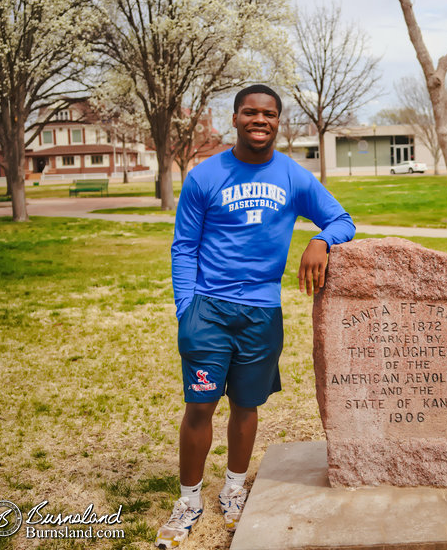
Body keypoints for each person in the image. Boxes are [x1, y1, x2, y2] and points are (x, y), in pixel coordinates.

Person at [157, 84, 355, 549]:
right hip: (209, 308)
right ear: (236, 118)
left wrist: (320, 240)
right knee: (200, 406)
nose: (259, 120)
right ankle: (188, 500)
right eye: (250, 113)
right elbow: (184, 247)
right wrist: (187, 309)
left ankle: (233, 489)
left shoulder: (292, 175)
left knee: (247, 406)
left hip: (263, 313)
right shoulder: (205, 176)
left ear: (277, 121)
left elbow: (342, 219)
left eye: (268, 114)